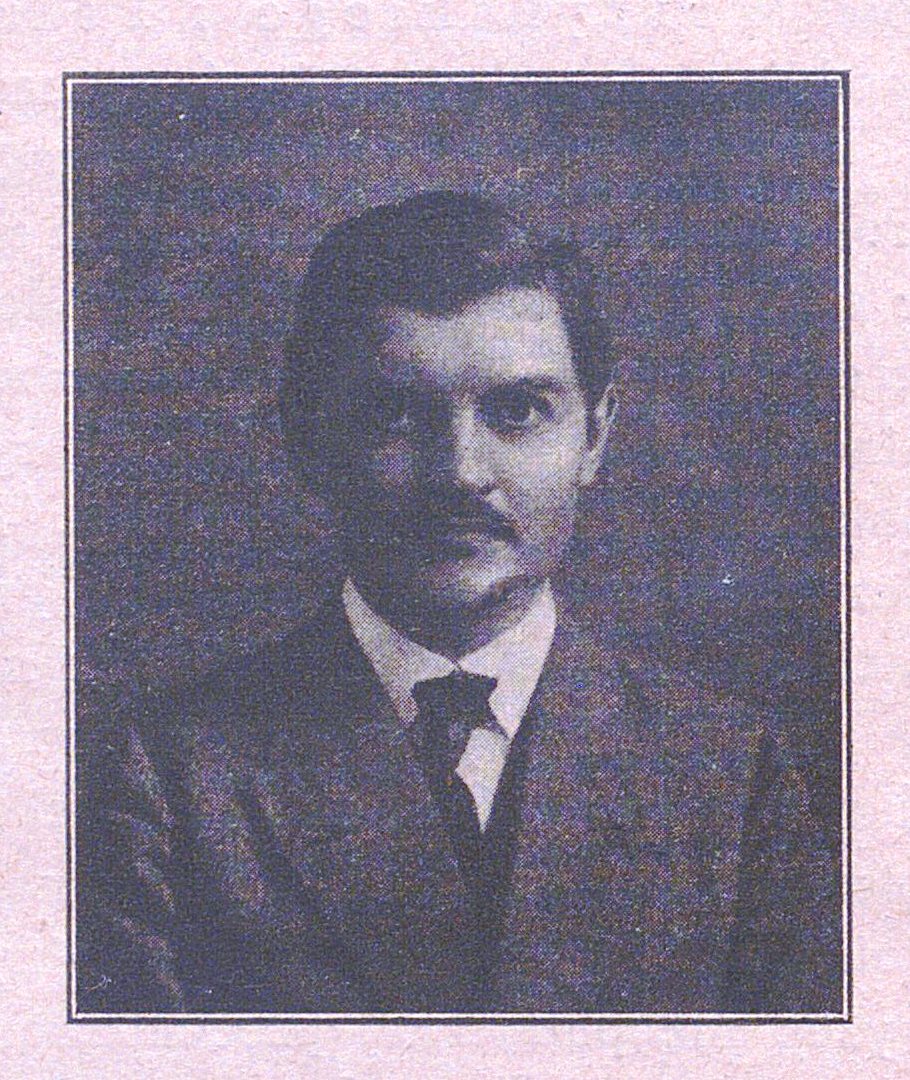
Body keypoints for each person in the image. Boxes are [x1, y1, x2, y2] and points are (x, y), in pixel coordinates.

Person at [78, 191, 841, 1015]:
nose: (460, 474)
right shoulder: (168, 777)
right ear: (306, 437)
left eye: (518, 412)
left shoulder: (730, 775)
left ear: (595, 436)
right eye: (394, 414)